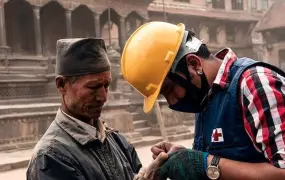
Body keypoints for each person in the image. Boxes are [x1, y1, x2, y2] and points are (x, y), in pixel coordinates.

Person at [121, 21, 285, 180]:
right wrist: (186, 158)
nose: (171, 102)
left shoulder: (254, 83)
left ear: (194, 64)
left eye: (169, 89)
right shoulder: (207, 98)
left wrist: (206, 164)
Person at [26, 38, 142, 180]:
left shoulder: (117, 140)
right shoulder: (50, 157)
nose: (103, 97)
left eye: (106, 86)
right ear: (61, 85)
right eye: (93, 87)